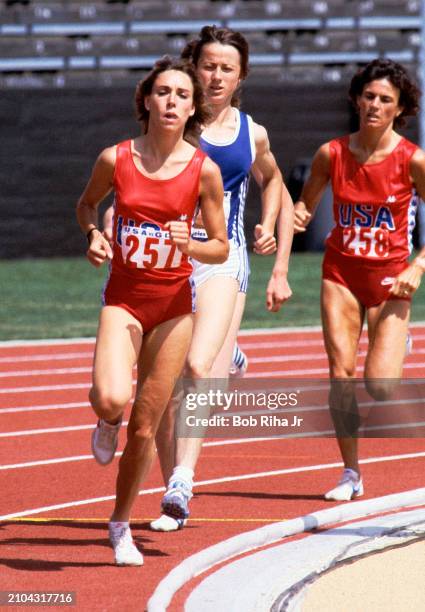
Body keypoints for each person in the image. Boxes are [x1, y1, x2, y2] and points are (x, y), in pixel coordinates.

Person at [76, 56, 228, 565]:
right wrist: (96, 235)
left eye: (182, 96)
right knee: (111, 397)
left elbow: (222, 248)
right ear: (146, 100)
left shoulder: (203, 169)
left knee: (147, 423)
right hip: (123, 300)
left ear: (192, 109)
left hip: (173, 307)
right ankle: (104, 419)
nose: (171, 102)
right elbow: (85, 206)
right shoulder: (114, 158)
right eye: (163, 92)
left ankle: (120, 524)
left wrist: (192, 244)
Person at [147, 25, 293, 531]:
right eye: (208, 64)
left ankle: (184, 477)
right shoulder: (173, 120)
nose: (215, 76)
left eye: (226, 68)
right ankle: (173, 491)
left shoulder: (252, 132)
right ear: (194, 65)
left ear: (240, 76)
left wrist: (268, 228)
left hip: (223, 259)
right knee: (166, 383)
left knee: (195, 364)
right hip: (170, 262)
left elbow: (272, 178)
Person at [294, 58, 425, 501]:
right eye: (369, 96)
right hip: (341, 274)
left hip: (390, 282)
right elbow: (305, 205)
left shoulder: (413, 160)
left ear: (399, 108)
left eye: (385, 99)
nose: (374, 105)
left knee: (381, 386)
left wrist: (417, 266)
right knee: (340, 374)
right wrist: (292, 217)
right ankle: (350, 472)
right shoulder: (331, 153)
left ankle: (397, 340)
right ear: (356, 99)